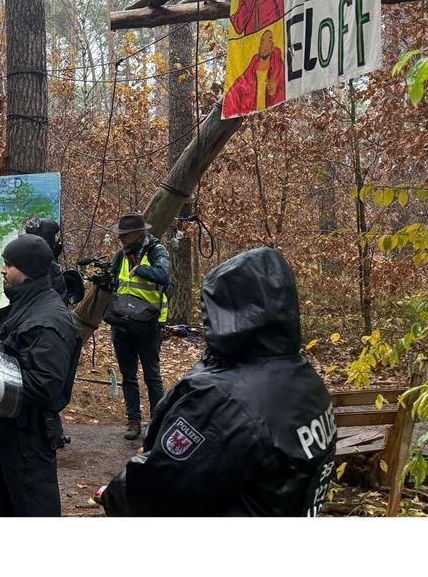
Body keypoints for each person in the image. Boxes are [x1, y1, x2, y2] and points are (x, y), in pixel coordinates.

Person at [99, 247, 337, 516]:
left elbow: (152, 490)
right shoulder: (308, 381)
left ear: (225, 313)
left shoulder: (223, 402)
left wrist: (113, 494)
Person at [0, 234, 80, 516]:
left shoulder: (48, 320)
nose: (2, 270)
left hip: (29, 439)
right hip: (3, 430)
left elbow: (44, 386)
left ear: (27, 271)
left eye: (8, 265)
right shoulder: (22, 306)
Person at [102, 212, 170, 442]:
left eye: (124, 234)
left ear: (138, 233)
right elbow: (113, 279)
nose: (120, 238)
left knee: (152, 376)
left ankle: (157, 422)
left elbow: (164, 275)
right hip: (122, 324)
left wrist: (140, 269)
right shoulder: (121, 254)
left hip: (148, 325)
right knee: (128, 376)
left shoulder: (156, 250)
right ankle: (133, 422)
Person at [223, 29, 286, 118]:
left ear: (272, 46)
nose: (265, 46)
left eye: (269, 41)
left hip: (270, 118)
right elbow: (231, 99)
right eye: (262, 42)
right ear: (259, 47)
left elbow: (283, 93)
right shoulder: (246, 76)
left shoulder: (278, 70)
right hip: (249, 119)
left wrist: (272, 93)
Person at [24, 217, 68, 303]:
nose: (59, 240)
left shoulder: (27, 260)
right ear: (48, 237)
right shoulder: (48, 266)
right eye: (56, 235)